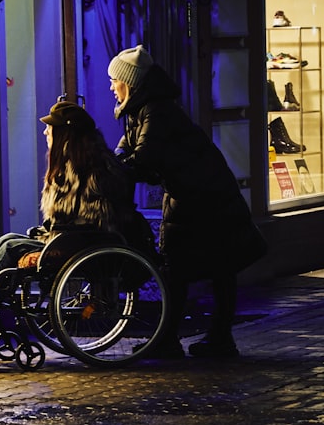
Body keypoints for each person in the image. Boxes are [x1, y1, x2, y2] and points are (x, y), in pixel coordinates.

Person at [0, 100, 142, 348]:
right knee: (7, 240)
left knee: (9, 248)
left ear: (66, 134)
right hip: (74, 239)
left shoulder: (83, 170)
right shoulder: (82, 163)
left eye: (51, 127)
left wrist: (49, 235)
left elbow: (88, 218)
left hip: (80, 243)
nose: (46, 131)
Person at [107, 45, 267, 359]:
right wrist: (117, 163)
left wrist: (119, 168)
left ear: (131, 82)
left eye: (115, 80)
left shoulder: (156, 111)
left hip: (203, 198)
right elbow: (127, 152)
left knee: (201, 268)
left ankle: (199, 340)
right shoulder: (142, 110)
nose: (111, 87)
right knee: (198, 268)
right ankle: (197, 339)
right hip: (195, 194)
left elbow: (144, 157)